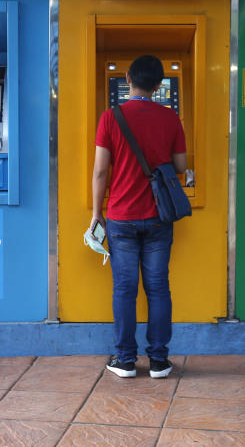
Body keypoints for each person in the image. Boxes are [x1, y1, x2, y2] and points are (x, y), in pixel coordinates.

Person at [91, 55, 187, 379]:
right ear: (160, 85)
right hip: (159, 215)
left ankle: (126, 360)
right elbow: (180, 166)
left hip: (121, 217)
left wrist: (95, 214)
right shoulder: (171, 118)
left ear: (128, 77)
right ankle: (159, 360)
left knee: (125, 289)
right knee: (158, 287)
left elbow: (101, 170)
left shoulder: (110, 117)